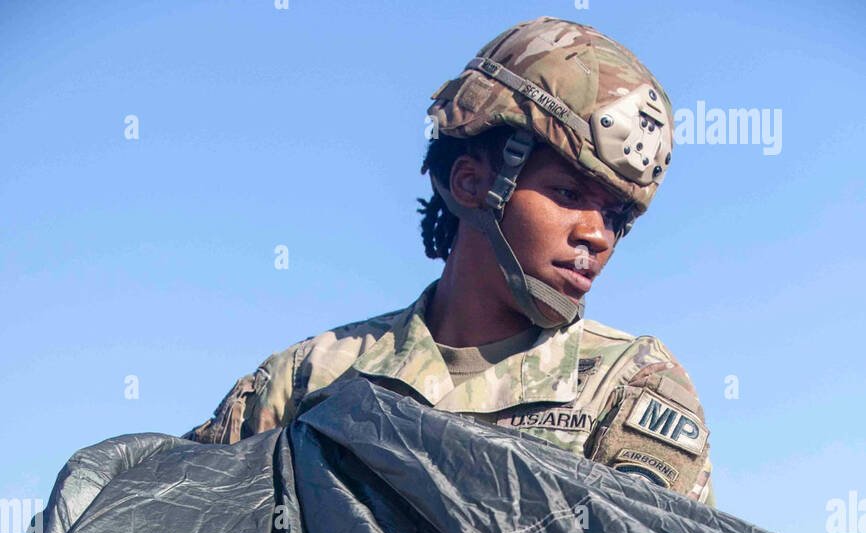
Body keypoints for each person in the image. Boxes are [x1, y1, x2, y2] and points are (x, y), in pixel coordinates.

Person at [186, 18, 715, 504]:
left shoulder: (628, 388)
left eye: (617, 216)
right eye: (568, 193)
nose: (597, 235)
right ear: (471, 184)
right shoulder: (309, 379)